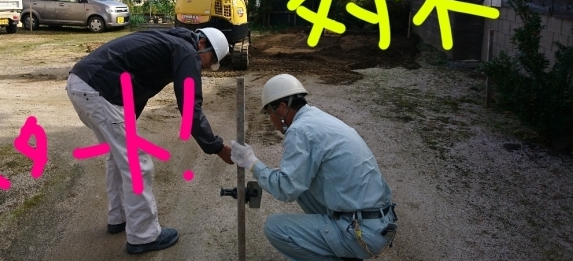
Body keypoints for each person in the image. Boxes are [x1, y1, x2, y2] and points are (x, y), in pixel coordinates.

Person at [66, 27, 234, 255]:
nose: (205, 66)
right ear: (203, 43)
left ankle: (119, 218)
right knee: (138, 164)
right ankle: (143, 236)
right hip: (99, 90)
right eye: (210, 60)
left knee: (118, 157)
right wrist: (216, 146)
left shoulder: (169, 41)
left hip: (82, 84)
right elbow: (189, 105)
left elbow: (139, 84)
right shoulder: (187, 51)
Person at [230, 74, 397, 261]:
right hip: (378, 222)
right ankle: (336, 242)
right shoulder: (316, 118)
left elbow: (285, 188)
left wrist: (252, 163)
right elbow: (294, 180)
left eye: (269, 112)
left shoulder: (300, 130)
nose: (270, 120)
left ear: (282, 108)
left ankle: (342, 251)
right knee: (301, 186)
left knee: (274, 227)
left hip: (361, 233)